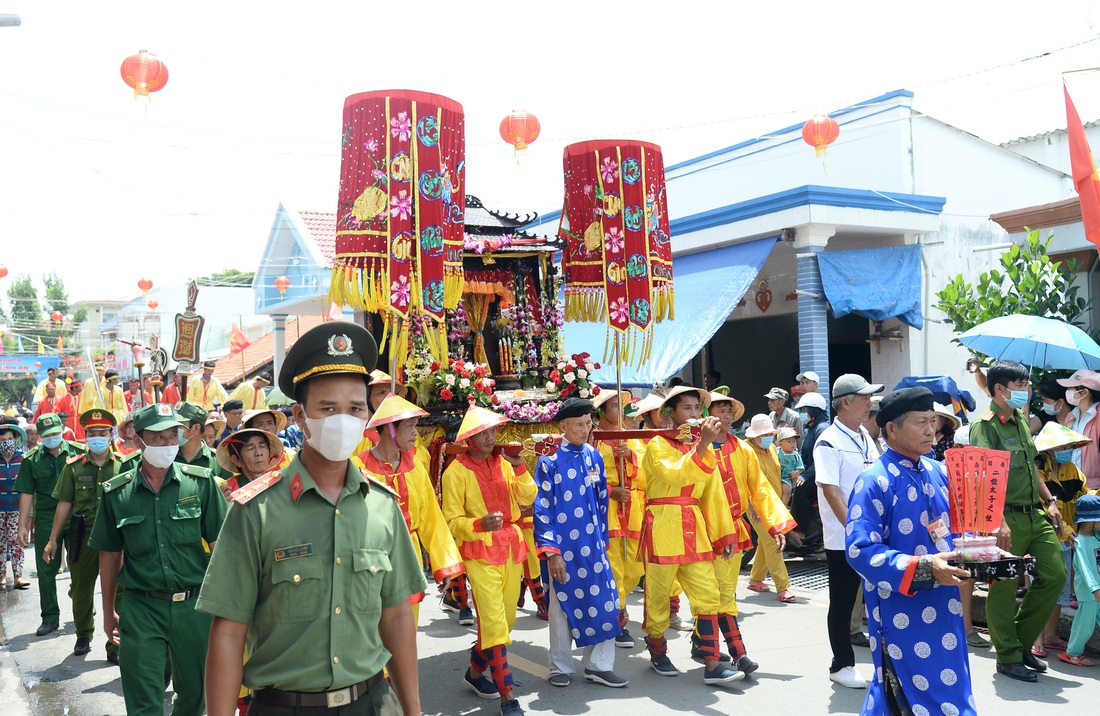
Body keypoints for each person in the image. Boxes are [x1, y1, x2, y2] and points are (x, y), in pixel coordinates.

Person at [198, 322, 424, 716]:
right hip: (284, 706)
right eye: (327, 408)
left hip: (373, 703)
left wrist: (413, 710)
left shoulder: (382, 504)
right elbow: (229, 631)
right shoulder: (255, 510)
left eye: (355, 409)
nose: (343, 420)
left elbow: (397, 616)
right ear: (300, 415)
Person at [846, 387, 976, 716]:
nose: (931, 430)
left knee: (949, 687)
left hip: (946, 607)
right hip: (899, 612)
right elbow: (860, 551)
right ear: (892, 428)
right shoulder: (873, 481)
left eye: (933, 421)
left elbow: (960, 530)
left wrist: (983, 551)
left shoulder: (940, 471)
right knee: (907, 694)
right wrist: (924, 568)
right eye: (921, 422)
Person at [89, 403, 226, 715]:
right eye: (158, 437)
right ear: (139, 441)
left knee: (195, 696)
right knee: (143, 699)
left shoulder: (200, 483)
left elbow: (221, 546)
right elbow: (110, 554)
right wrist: (108, 611)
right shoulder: (117, 492)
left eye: (172, 436)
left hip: (195, 606)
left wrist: (226, 604)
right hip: (141, 607)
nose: (167, 444)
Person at [969, 359, 1067, 682]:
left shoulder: (1021, 422)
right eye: (1022, 387)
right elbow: (982, 476)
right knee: (1004, 588)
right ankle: (1008, 657)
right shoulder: (986, 425)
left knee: (1055, 574)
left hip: (1034, 513)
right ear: (1001, 389)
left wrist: (1050, 501)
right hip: (1005, 516)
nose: (1026, 392)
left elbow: (1031, 465)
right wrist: (997, 522)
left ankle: (1020, 643)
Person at [638, 386, 742, 685]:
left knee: (708, 594)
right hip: (663, 526)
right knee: (658, 596)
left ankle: (712, 663)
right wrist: (703, 446)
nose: (695, 415)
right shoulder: (656, 445)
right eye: (687, 409)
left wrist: (724, 534)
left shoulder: (700, 447)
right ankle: (657, 651)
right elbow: (675, 475)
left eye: (698, 409)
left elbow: (714, 494)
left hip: (693, 528)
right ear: (671, 413)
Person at [441, 406, 535, 715]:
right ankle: (508, 696)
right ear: (469, 437)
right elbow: (451, 521)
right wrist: (479, 524)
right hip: (480, 553)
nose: (490, 437)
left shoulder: (506, 464)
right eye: (483, 432)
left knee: (505, 622)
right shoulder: (455, 472)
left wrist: (520, 467)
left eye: (493, 431)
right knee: (495, 624)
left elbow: (528, 498)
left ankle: (474, 672)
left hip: (510, 548)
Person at [533, 397, 627, 688]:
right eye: (579, 424)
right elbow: (542, 507)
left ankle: (598, 666)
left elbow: (600, 501)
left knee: (605, 603)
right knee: (561, 609)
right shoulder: (548, 461)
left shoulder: (594, 456)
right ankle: (560, 666)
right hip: (563, 550)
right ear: (564, 426)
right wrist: (552, 552)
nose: (585, 429)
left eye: (588, 423)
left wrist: (602, 540)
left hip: (594, 547)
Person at [703, 404, 793, 673]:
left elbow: (761, 489)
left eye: (729, 412)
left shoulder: (743, 450)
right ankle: (663, 642)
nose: (726, 417)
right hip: (697, 529)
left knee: (725, 594)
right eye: (719, 412)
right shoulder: (696, 448)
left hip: (733, 529)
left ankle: (735, 653)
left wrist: (775, 524)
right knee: (702, 595)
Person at [359, 392, 463, 625]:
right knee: (372, 634)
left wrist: (444, 564)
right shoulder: (357, 467)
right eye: (410, 426)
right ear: (390, 429)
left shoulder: (415, 468)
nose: (416, 433)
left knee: (406, 631)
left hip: (409, 554)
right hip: (371, 558)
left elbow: (431, 519)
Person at [42, 409, 131, 659]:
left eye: (102, 433)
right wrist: (52, 540)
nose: (97, 438)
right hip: (85, 537)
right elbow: (64, 504)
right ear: (85, 437)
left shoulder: (125, 466)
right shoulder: (73, 468)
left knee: (119, 589)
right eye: (92, 434)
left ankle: (115, 644)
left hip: (116, 540)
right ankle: (83, 634)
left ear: (112, 435)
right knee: (81, 588)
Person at [813, 373, 884, 689]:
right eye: (864, 397)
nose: (870, 402)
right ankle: (840, 664)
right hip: (845, 538)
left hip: (872, 534)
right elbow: (831, 491)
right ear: (845, 402)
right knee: (842, 601)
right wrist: (855, 529)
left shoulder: (866, 437)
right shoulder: (829, 440)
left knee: (872, 598)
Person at [15, 413, 86, 636]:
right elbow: (27, 493)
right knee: (46, 569)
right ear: (40, 437)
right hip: (46, 517)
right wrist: (23, 525)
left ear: (62, 431)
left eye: (55, 434)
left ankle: (81, 604)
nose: (51, 438)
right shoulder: (31, 459)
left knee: (81, 565)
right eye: (47, 435)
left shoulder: (78, 452)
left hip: (77, 515)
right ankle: (50, 617)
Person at [1031, 421, 1091, 658]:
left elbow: (1085, 498)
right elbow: (1044, 505)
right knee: (1044, 586)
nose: (1068, 448)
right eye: (1064, 445)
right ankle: (1037, 638)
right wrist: (1066, 530)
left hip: (1068, 538)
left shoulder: (1072, 471)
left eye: (1070, 445)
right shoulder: (1038, 469)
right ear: (1051, 447)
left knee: (1061, 589)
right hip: (1044, 534)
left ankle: (1050, 635)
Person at [592, 388, 646, 648]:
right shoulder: (595, 442)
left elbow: (649, 471)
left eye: (621, 406)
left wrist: (632, 457)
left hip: (633, 509)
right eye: (614, 406)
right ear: (601, 412)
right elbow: (589, 477)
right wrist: (611, 490)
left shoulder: (632, 439)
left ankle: (616, 610)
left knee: (635, 567)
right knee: (613, 567)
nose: (620, 412)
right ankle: (618, 620)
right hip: (608, 511)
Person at [743, 416, 797, 604]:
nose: (768, 437)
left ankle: (756, 579)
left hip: (774, 503)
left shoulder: (772, 448)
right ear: (755, 435)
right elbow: (743, 482)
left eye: (769, 434)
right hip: (756, 506)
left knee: (765, 542)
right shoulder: (745, 451)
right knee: (773, 541)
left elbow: (778, 472)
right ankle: (783, 587)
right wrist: (751, 507)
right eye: (764, 434)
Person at [1059, 493, 1100, 666]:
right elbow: (1085, 569)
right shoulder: (1080, 542)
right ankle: (1072, 653)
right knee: (1085, 624)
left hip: (1097, 591)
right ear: (1091, 520)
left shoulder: (1097, 538)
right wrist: (1095, 589)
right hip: (1090, 592)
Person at [791, 391, 829, 554]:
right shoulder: (811, 427)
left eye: (805, 410)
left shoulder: (822, 428)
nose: (803, 414)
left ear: (814, 410)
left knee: (800, 490)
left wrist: (805, 476)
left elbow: (821, 458)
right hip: (810, 472)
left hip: (820, 475)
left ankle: (800, 532)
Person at [1056, 369, 1100, 489]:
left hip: (1095, 487)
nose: (1067, 392)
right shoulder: (1071, 416)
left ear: (1085, 392)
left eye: (1071, 388)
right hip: (1073, 484)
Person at [0, 423, 28, 590]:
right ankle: (2, 576)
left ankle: (18, 576)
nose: (7, 442)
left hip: (18, 509)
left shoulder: (22, 459)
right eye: (3, 439)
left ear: (15, 439)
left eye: (10, 439)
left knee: (16, 542)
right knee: (0, 544)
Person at [175, 401, 221, 472]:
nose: (173, 429)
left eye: (178, 425)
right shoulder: (167, 456)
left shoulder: (218, 460)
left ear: (196, 428)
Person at [775, 426, 803, 506]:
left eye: (794, 441)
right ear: (780, 444)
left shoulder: (795, 455)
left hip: (787, 478)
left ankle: (782, 507)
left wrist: (796, 472)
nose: (792, 444)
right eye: (789, 441)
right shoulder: (776, 451)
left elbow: (800, 467)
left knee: (786, 489)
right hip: (776, 476)